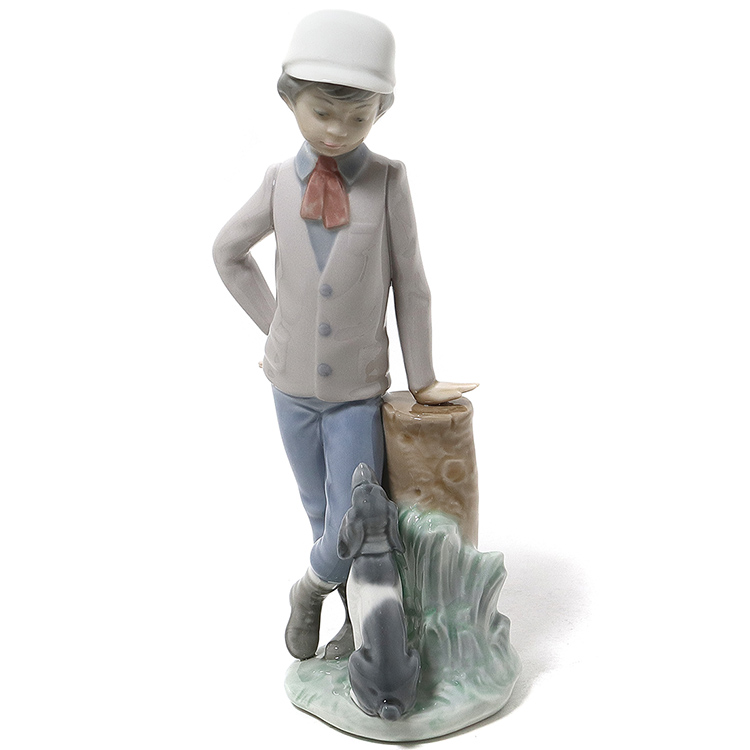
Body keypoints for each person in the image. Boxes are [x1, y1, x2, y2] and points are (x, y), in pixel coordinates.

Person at [213, 10, 476, 661]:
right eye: (322, 112)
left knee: (353, 515)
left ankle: (308, 590)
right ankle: (357, 623)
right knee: (317, 511)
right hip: (289, 388)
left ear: (379, 110)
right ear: (289, 99)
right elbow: (228, 253)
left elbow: (411, 285)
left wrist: (421, 378)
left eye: (356, 117)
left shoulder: (388, 183)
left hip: (357, 393)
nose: (336, 130)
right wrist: (277, 329)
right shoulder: (278, 181)